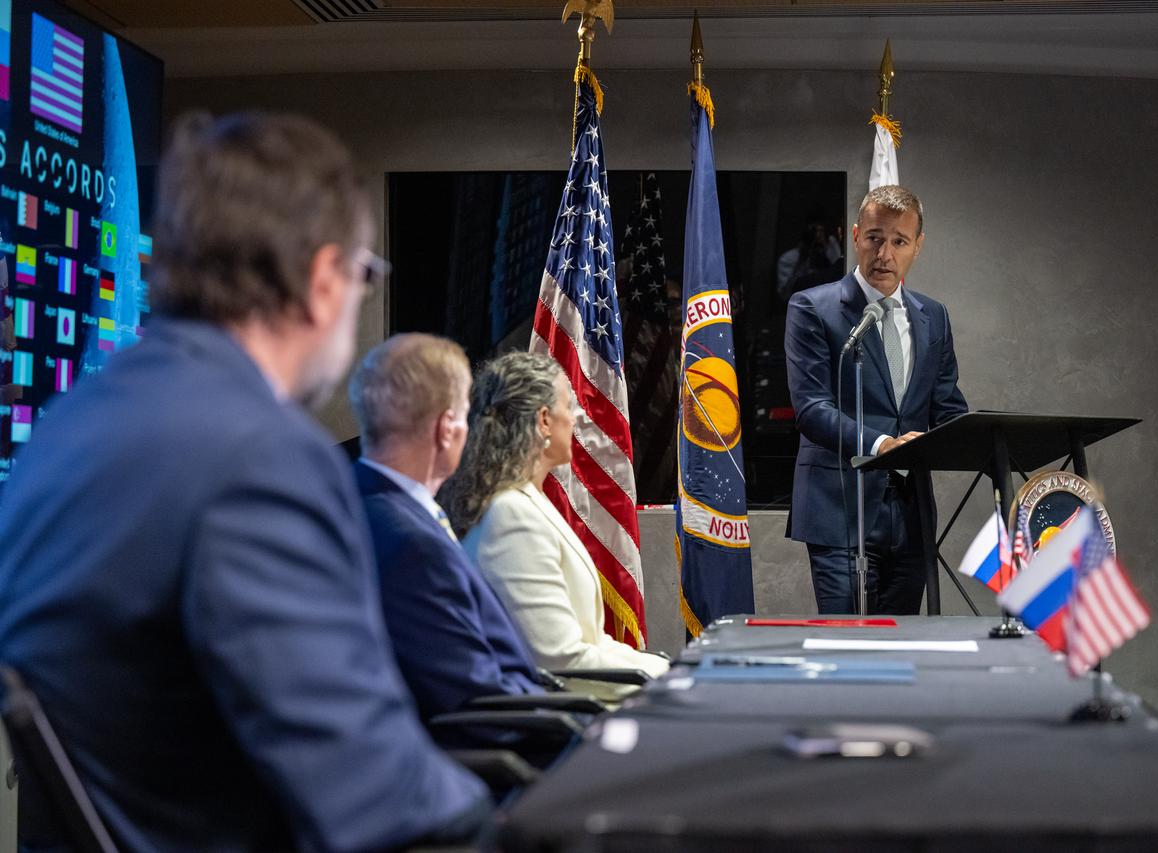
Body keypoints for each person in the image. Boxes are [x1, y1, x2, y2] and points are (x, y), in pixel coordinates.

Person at [0, 112, 489, 851]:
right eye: (363, 275)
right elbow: (381, 797)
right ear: (325, 280)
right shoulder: (263, 457)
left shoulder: (64, 428)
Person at [784, 184, 968, 615]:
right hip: (837, 509)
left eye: (899, 241)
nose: (884, 253)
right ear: (855, 237)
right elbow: (812, 410)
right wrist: (882, 445)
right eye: (874, 238)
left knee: (899, 653)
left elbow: (947, 408)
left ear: (917, 247)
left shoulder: (933, 316)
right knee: (848, 654)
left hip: (911, 516)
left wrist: (976, 438)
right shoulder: (813, 307)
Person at [348, 333, 544, 723]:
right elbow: (478, 701)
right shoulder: (411, 543)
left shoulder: (356, 502)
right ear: (446, 428)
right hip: (507, 751)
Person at [439, 352, 669, 679]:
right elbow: (560, 659)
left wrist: (669, 669)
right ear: (544, 419)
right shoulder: (510, 516)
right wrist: (670, 677)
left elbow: (592, 641)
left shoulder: (527, 499)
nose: (575, 419)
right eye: (568, 406)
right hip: (569, 715)